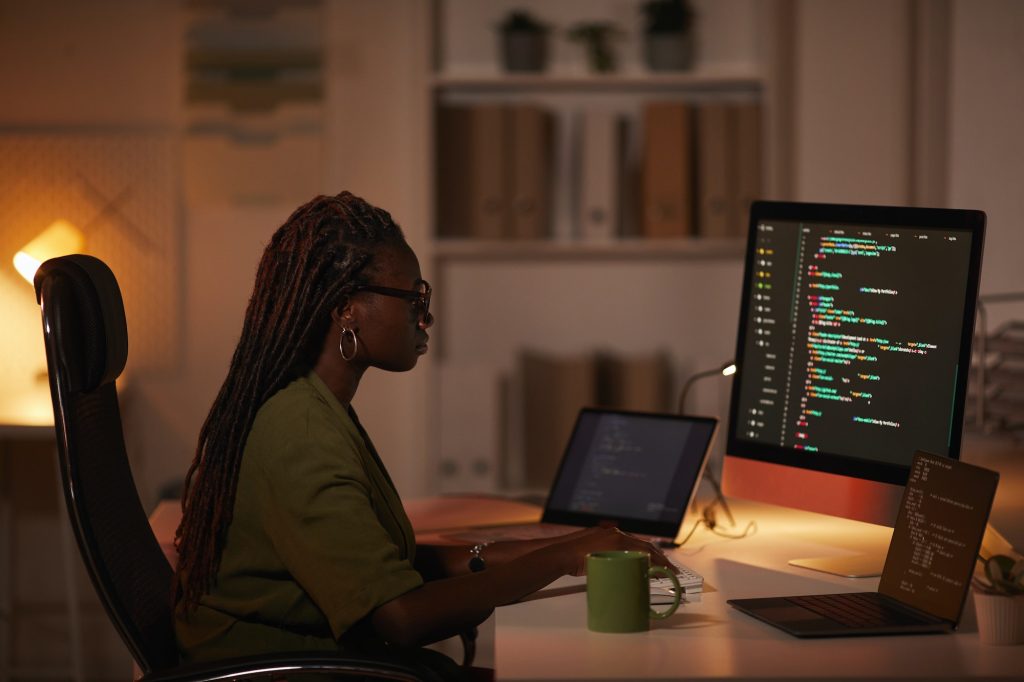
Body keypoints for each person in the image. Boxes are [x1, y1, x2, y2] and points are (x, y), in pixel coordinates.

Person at [173, 191, 672, 673]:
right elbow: (403, 617)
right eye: (413, 298)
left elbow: (392, 565)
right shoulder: (302, 431)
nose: (425, 318)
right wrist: (565, 555)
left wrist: (572, 544)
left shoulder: (315, 405)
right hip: (290, 668)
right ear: (347, 307)